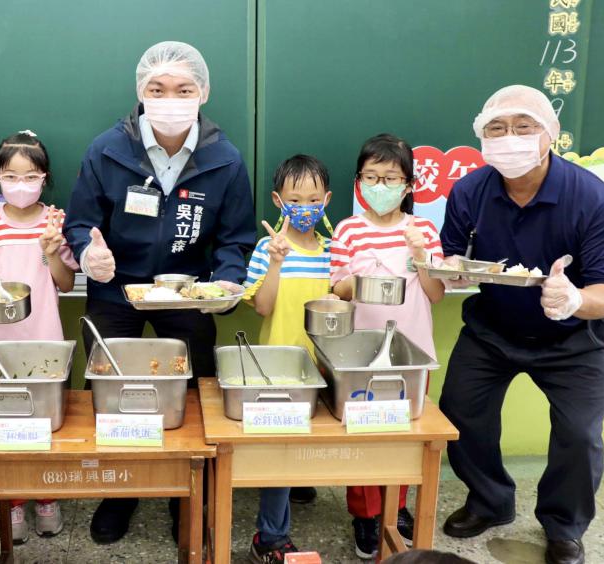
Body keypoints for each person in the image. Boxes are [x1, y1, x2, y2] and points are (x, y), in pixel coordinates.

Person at [63, 41, 255, 544]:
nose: (170, 97)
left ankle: (184, 493)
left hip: (186, 292)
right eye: (158, 89)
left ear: (203, 93)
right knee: (112, 390)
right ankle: (120, 490)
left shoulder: (225, 159)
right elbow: (80, 222)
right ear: (140, 92)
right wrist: (88, 254)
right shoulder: (106, 149)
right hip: (115, 291)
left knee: (193, 395)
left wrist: (229, 278)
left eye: (183, 89)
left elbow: (235, 238)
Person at [438, 85, 604, 564]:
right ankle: (490, 501)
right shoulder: (469, 191)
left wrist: (576, 298)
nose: (509, 138)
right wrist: (452, 270)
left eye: (524, 127)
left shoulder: (595, 201)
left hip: (576, 339)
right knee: (459, 409)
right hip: (492, 329)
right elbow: (455, 256)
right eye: (496, 129)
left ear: (550, 136)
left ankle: (563, 526)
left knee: (579, 434)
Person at [0, 130, 77, 543]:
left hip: (44, 337)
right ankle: (12, 503)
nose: (21, 185)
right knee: (5, 421)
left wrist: (49, 250)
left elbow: (64, 281)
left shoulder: (54, 221)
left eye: (30, 177)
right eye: (11, 176)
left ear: (44, 177)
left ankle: (45, 497)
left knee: (44, 421)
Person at [330, 134, 446, 560]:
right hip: (361, 351)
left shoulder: (424, 230)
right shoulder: (348, 230)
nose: (380, 185)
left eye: (390, 177)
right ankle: (365, 514)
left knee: (404, 432)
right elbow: (337, 290)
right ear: (359, 181)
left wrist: (419, 254)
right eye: (371, 177)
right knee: (363, 431)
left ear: (409, 185)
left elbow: (435, 293)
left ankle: (396, 508)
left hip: (414, 349)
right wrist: (359, 278)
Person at [242, 154, 332, 564]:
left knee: (304, 442)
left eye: (314, 199)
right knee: (279, 448)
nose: (305, 207)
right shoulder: (267, 247)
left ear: (327, 200)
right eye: (296, 198)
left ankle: (295, 487)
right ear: (279, 201)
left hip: (321, 364)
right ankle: (271, 537)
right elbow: (261, 306)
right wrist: (276, 262)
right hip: (277, 365)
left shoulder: (333, 250)